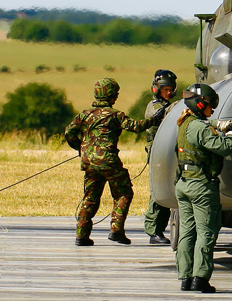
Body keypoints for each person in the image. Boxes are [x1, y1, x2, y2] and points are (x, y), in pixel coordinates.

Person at [65, 78, 163, 246]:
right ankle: (116, 230)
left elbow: (69, 133)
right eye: (115, 94)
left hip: (89, 163)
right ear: (110, 96)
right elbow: (136, 127)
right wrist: (154, 120)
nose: (116, 97)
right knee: (124, 193)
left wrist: (81, 148)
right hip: (109, 162)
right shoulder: (115, 115)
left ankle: (81, 235)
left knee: (90, 197)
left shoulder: (84, 114)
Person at [174, 83, 232, 293]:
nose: (212, 110)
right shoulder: (200, 128)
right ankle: (200, 278)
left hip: (183, 184)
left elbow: (202, 127)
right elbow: (224, 147)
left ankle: (185, 277)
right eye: (210, 106)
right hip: (201, 186)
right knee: (206, 232)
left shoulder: (184, 122)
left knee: (187, 232)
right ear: (201, 104)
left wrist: (218, 125)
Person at [143, 69, 177, 245]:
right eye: (165, 89)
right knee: (158, 194)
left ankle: (159, 229)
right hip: (158, 156)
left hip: (168, 154)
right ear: (156, 89)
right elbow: (158, 115)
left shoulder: (168, 105)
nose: (169, 92)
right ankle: (153, 230)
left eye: (171, 89)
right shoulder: (154, 106)